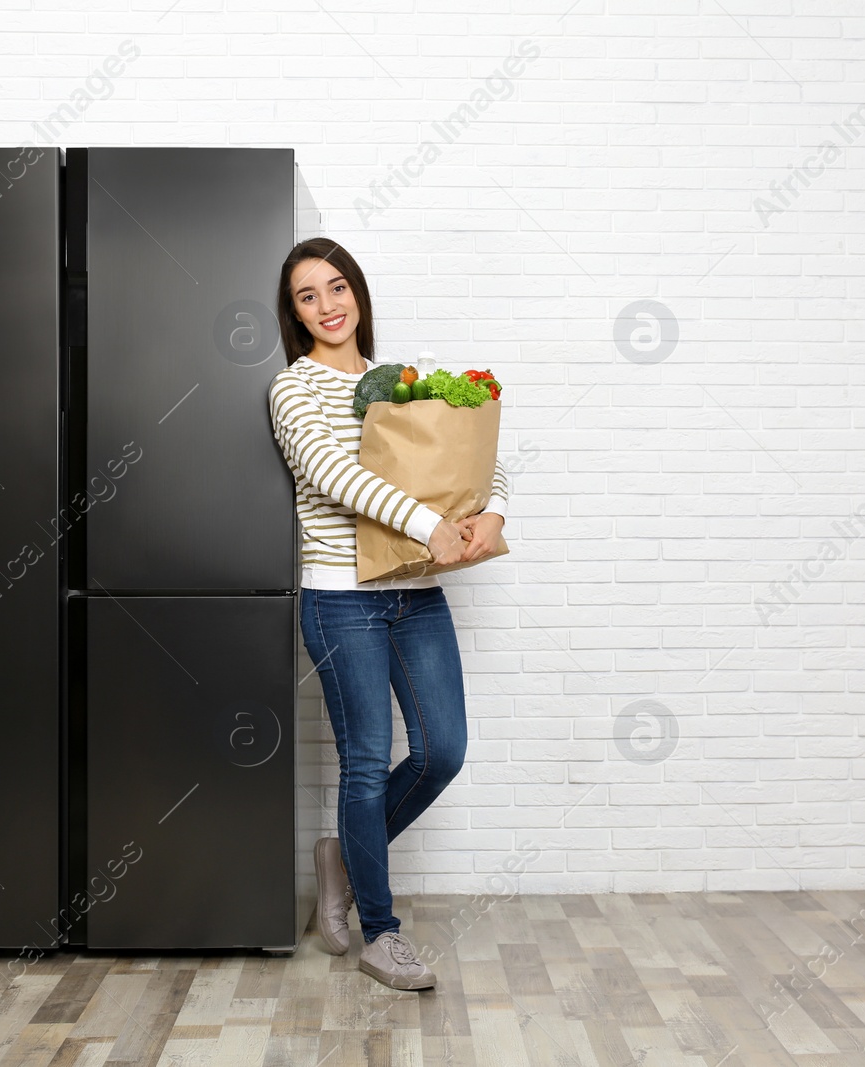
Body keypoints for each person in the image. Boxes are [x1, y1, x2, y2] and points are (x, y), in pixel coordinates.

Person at [266, 237, 508, 991]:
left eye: (337, 287)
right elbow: (330, 472)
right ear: (295, 312)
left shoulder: (400, 380)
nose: (328, 305)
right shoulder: (293, 388)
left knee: (443, 751)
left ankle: (339, 855)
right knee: (366, 762)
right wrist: (424, 522)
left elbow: (470, 454)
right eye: (309, 296)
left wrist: (492, 510)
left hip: (415, 591)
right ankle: (382, 933)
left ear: (359, 293)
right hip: (340, 599)